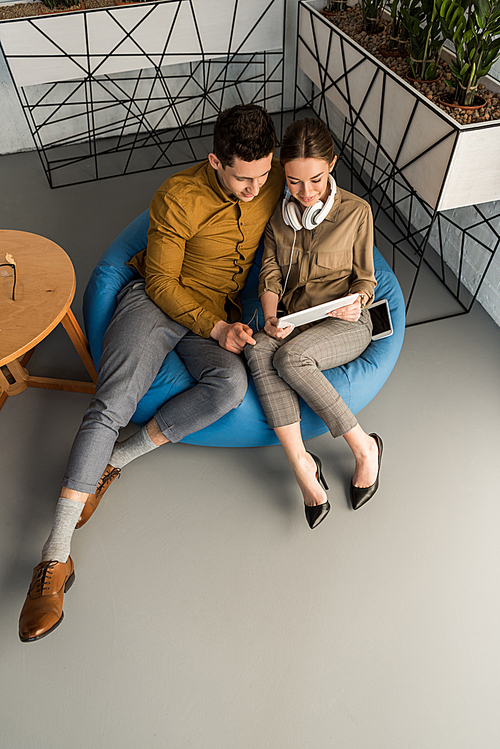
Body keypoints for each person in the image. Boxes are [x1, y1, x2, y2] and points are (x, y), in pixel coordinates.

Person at [19, 104, 285, 642]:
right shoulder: (177, 196)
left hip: (216, 315)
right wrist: (214, 329)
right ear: (215, 162)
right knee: (111, 404)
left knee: (231, 387)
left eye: (263, 175)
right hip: (158, 303)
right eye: (243, 177)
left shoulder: (274, 181)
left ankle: (115, 461)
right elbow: (162, 283)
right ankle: (54, 558)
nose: (256, 188)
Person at [245, 117, 383, 530]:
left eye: (316, 181)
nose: (305, 194)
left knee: (291, 360)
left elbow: (366, 279)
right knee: (258, 348)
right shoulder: (278, 217)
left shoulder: (357, 213)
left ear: (332, 166)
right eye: (294, 182)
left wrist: (356, 302)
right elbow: (268, 274)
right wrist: (270, 317)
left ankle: (364, 448)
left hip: (346, 324)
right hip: (296, 322)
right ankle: (303, 464)